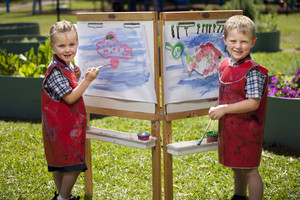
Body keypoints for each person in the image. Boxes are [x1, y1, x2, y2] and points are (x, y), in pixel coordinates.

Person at [208, 15, 268, 200]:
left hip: (248, 130)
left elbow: (253, 102)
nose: (238, 46)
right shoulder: (224, 65)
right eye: (233, 41)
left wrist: (224, 109)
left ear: (253, 42)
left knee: (249, 169)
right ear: (225, 41)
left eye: (244, 41)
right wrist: (217, 111)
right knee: (237, 165)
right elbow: (226, 93)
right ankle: (239, 196)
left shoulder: (253, 71)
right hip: (230, 128)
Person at [41, 20, 99, 200]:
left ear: (77, 43)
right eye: (62, 45)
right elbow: (70, 97)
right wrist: (87, 80)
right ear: (52, 46)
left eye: (71, 44)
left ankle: (62, 195)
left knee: (60, 164)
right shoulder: (56, 71)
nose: (68, 50)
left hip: (61, 128)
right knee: (73, 166)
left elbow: (68, 88)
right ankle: (63, 198)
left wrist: (78, 76)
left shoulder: (66, 66)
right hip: (63, 129)